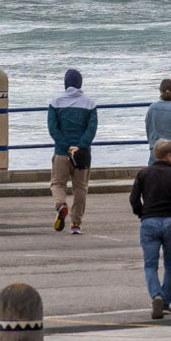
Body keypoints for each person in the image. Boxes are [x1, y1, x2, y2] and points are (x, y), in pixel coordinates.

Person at [130, 138, 171, 319]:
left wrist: (141, 213)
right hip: (170, 221)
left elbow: (134, 198)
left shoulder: (143, 174)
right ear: (169, 156)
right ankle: (166, 301)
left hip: (149, 221)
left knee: (150, 265)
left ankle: (156, 295)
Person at [48, 68, 98, 235]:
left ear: (66, 83)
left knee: (57, 183)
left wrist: (66, 146)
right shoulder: (89, 103)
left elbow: (53, 129)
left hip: (62, 152)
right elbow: (91, 129)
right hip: (82, 154)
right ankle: (76, 223)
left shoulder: (55, 102)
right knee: (80, 188)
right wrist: (80, 146)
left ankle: (61, 204)